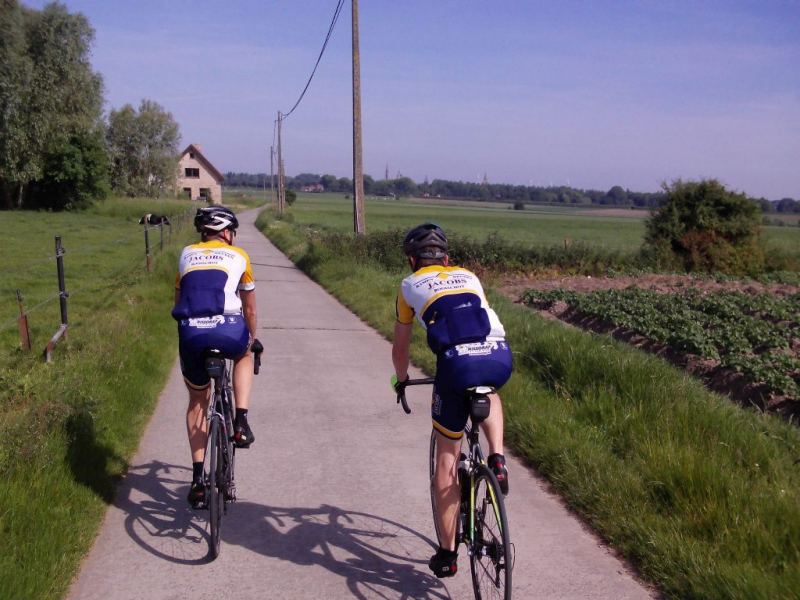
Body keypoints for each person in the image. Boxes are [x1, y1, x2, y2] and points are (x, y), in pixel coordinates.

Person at [391, 222, 512, 579]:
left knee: (446, 459)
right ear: (446, 258)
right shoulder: (470, 277)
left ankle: (447, 554)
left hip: (455, 366)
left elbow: (400, 349)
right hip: (499, 356)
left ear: (413, 260)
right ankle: (498, 458)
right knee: (489, 390)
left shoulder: (409, 285)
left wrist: (401, 380)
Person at [173, 206, 260, 507]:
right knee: (246, 352)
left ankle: (198, 481)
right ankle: (241, 422)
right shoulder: (240, 256)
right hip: (228, 330)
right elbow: (249, 310)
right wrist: (252, 338)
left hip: (192, 333)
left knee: (198, 399)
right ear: (226, 232)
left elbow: (179, 302)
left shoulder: (185, 254)